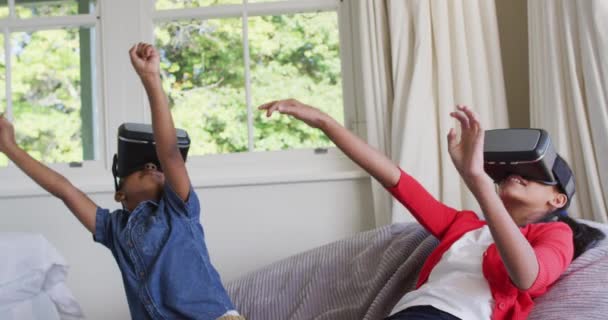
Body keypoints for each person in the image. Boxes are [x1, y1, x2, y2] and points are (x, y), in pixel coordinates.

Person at [258, 99, 605, 320]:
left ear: (557, 200)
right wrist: (324, 122)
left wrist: (478, 181)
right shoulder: (464, 226)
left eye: (533, 175)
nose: (518, 176)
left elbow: (528, 277)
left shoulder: (555, 232)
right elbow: (394, 178)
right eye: (511, 172)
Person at [0, 43, 243, 320]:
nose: (151, 165)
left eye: (157, 165)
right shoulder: (114, 229)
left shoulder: (178, 211)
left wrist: (150, 79)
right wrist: (10, 148)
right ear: (120, 194)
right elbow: (65, 190)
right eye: (139, 166)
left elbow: (170, 154)